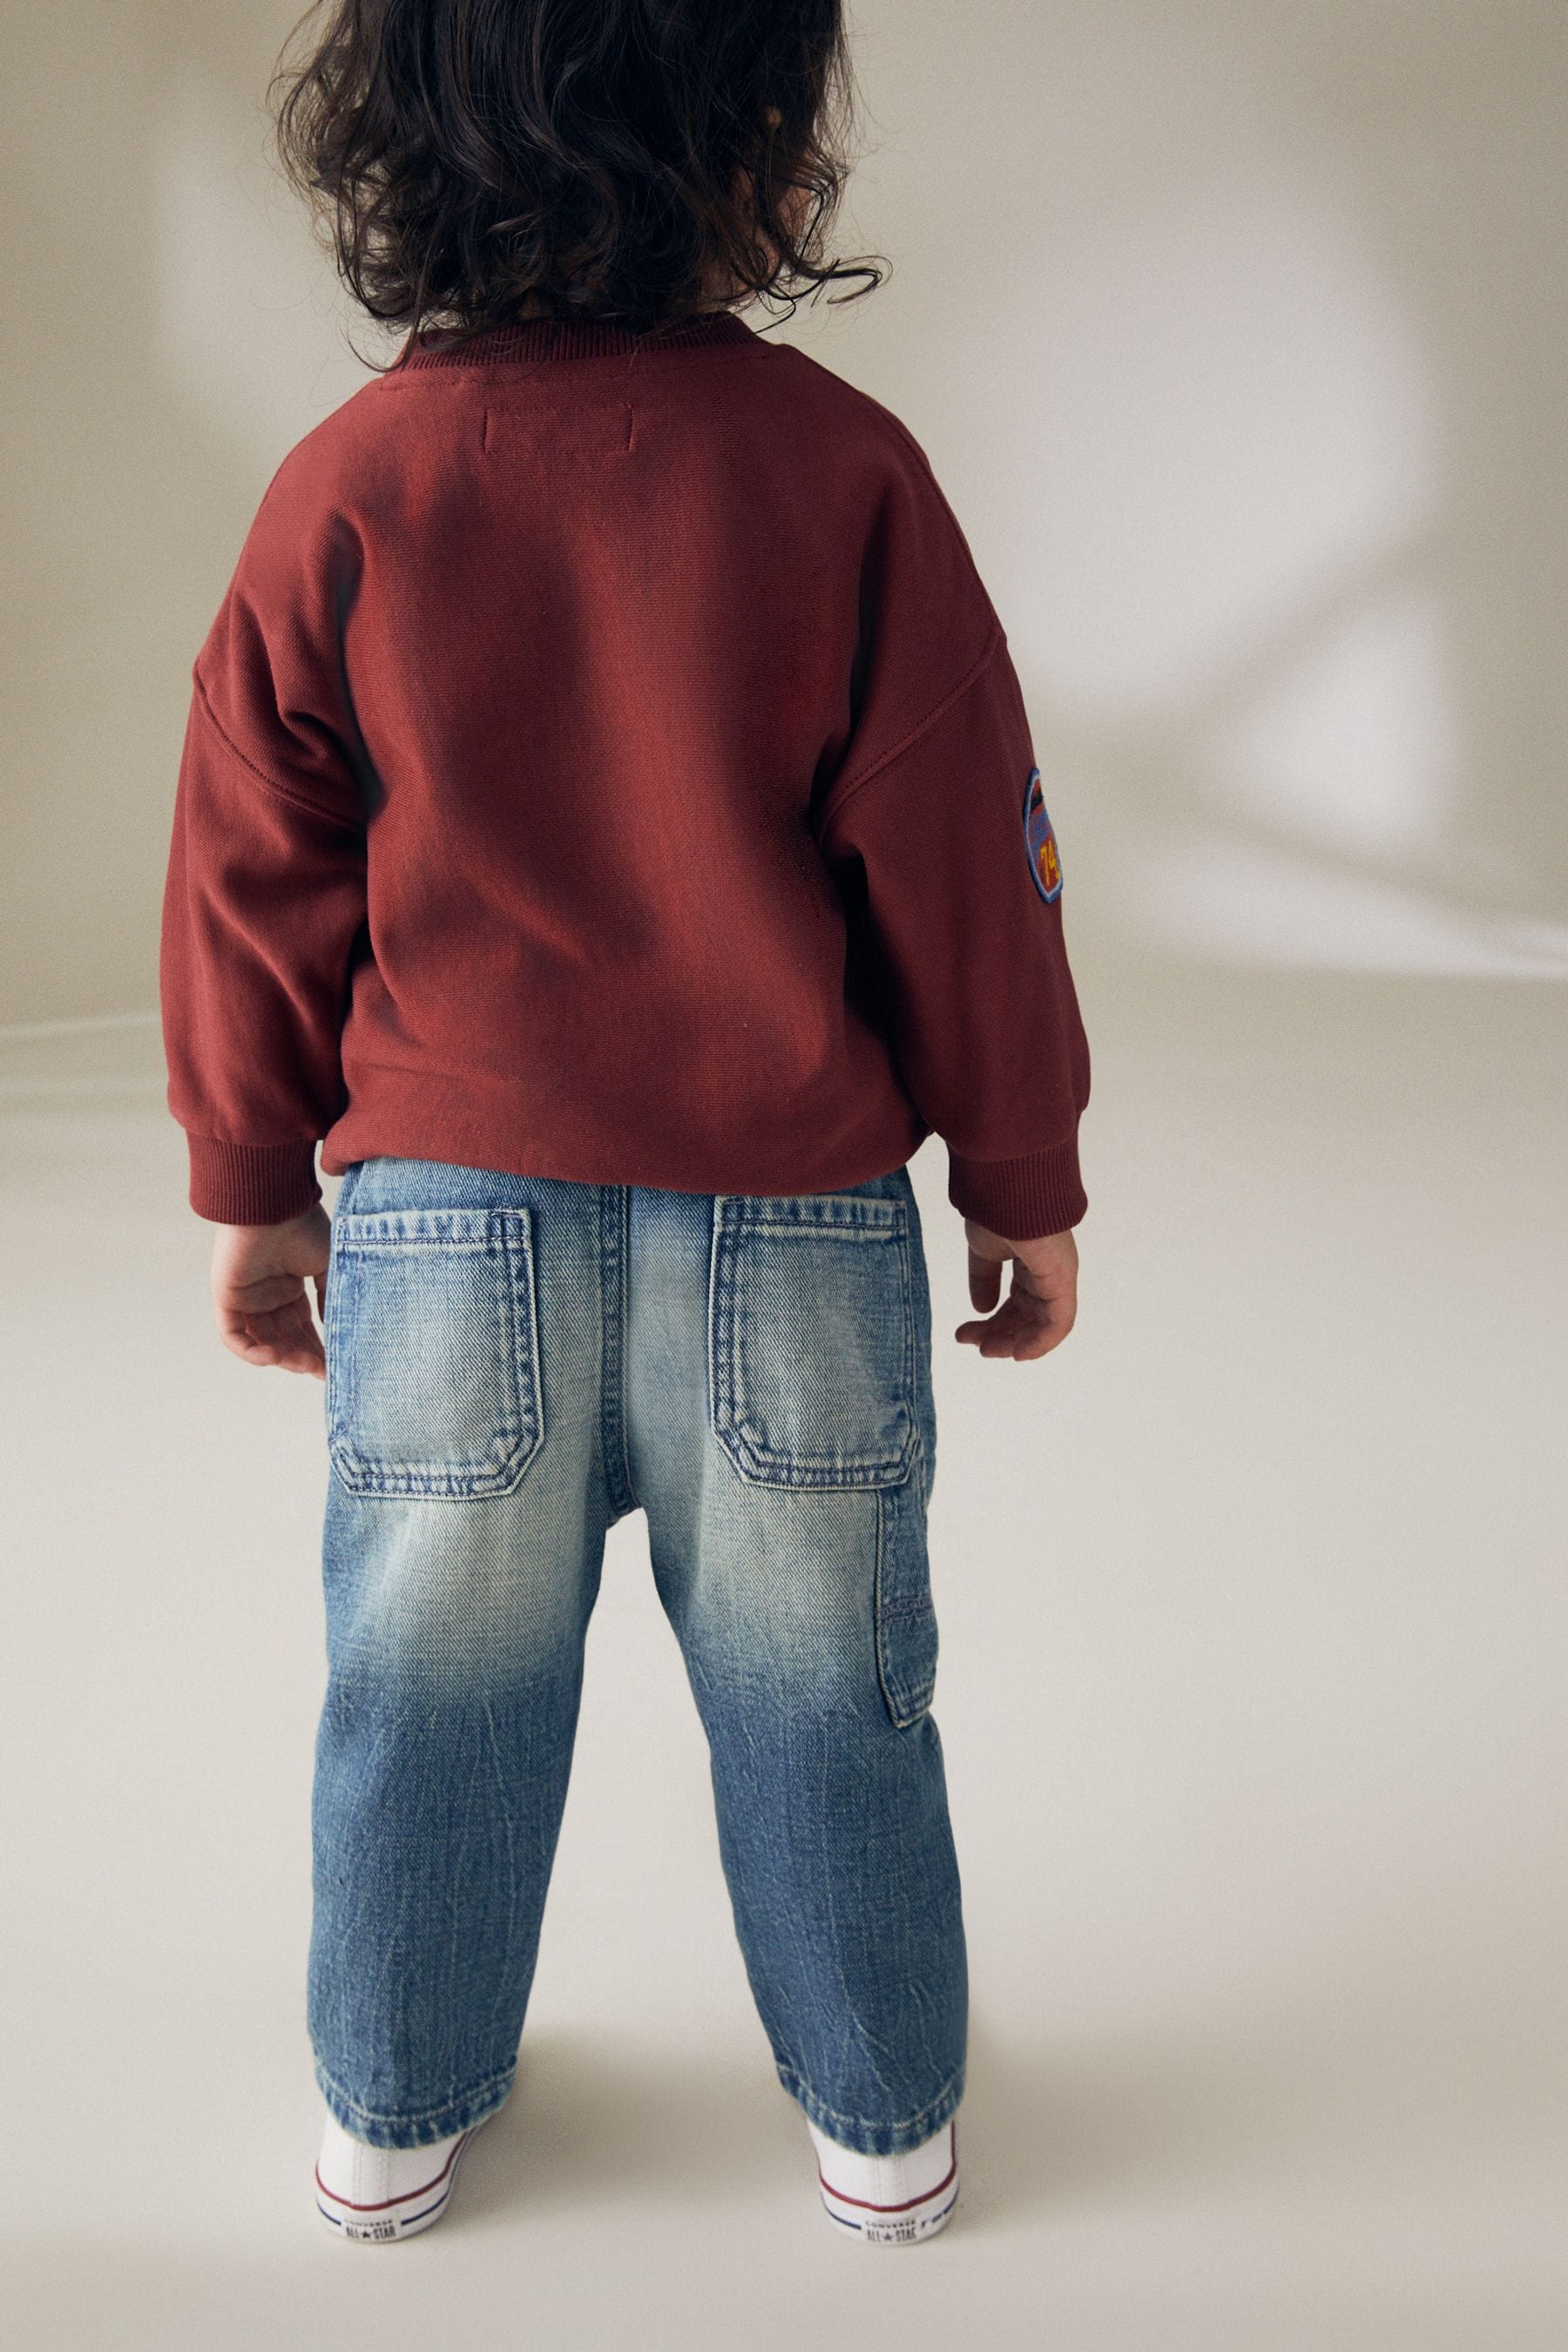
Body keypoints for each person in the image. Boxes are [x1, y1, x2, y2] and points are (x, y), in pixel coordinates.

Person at [159, 0, 1090, 2250]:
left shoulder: (348, 486)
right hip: (794, 1214)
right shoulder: (843, 470)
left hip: (442, 1219)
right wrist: (1023, 1171)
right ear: (756, 139)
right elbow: (964, 850)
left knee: (425, 1675)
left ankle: (390, 2100)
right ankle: (881, 2111)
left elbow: (249, 864)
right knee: (828, 1678)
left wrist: (252, 1183)